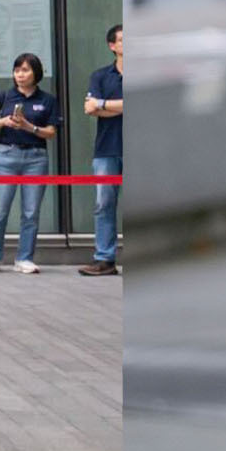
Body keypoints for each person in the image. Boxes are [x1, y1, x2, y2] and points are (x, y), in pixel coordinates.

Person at [0, 53, 58, 273]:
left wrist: (28, 127)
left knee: (31, 211)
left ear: (36, 73)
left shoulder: (47, 100)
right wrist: (4, 121)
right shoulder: (4, 96)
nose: (20, 75)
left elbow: (51, 133)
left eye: (25, 70)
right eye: (17, 70)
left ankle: (24, 257)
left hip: (36, 157)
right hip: (6, 155)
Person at [80, 26, 122, 276]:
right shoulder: (100, 76)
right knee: (104, 203)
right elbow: (89, 109)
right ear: (112, 46)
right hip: (107, 148)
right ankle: (105, 259)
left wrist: (104, 104)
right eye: (122, 40)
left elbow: (98, 106)